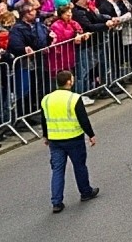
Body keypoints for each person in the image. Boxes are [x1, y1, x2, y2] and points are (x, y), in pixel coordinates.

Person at [41, 70, 100, 213]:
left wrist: (46, 136)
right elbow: (83, 119)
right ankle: (85, 192)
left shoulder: (46, 99)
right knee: (79, 166)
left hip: (55, 140)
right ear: (69, 82)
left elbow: (44, 120)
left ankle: (56, 202)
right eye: (72, 78)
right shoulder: (74, 98)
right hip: (74, 138)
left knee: (57, 170)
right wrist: (91, 135)